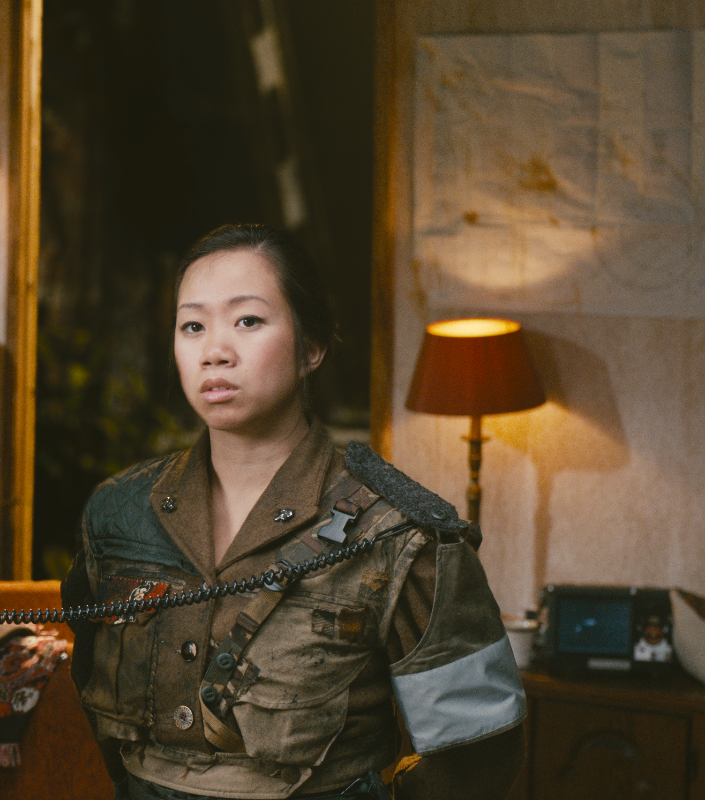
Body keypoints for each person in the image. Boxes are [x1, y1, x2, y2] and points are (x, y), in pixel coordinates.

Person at [60, 223, 526, 800]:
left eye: (248, 321)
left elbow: (477, 752)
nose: (215, 351)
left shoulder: (397, 531)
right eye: (193, 326)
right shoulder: (118, 512)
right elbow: (96, 705)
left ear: (312, 348)